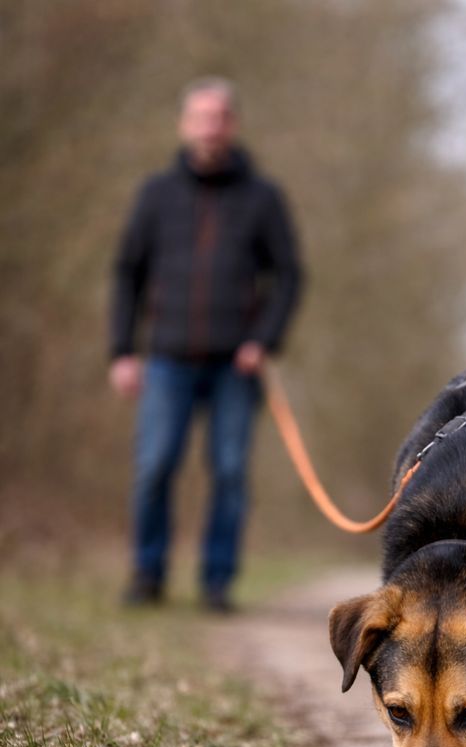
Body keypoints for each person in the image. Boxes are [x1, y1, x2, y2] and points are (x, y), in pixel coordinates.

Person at [109, 77, 303, 611]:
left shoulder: (262, 197)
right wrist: (123, 350)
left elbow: (288, 275)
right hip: (166, 359)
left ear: (232, 125)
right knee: (154, 466)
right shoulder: (156, 194)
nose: (209, 126)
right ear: (184, 124)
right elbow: (128, 273)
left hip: (235, 367)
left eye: (219, 116)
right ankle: (147, 574)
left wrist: (263, 340)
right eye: (200, 116)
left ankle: (217, 582)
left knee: (231, 473)